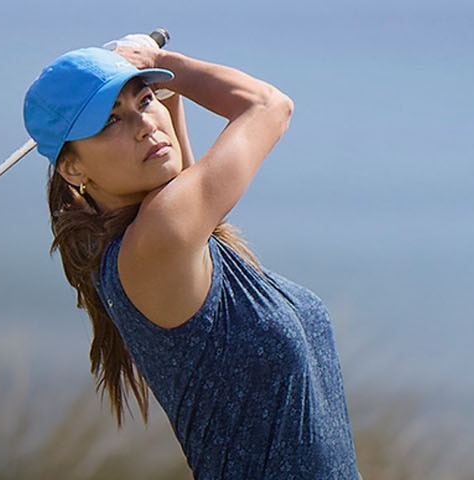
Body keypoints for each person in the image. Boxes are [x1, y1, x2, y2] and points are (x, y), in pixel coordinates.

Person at [24, 37, 359, 479]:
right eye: (110, 121)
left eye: (144, 99)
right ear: (73, 169)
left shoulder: (166, 234)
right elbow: (268, 105)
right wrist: (161, 61)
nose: (145, 124)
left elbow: (177, 163)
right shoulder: (158, 240)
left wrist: (167, 86)